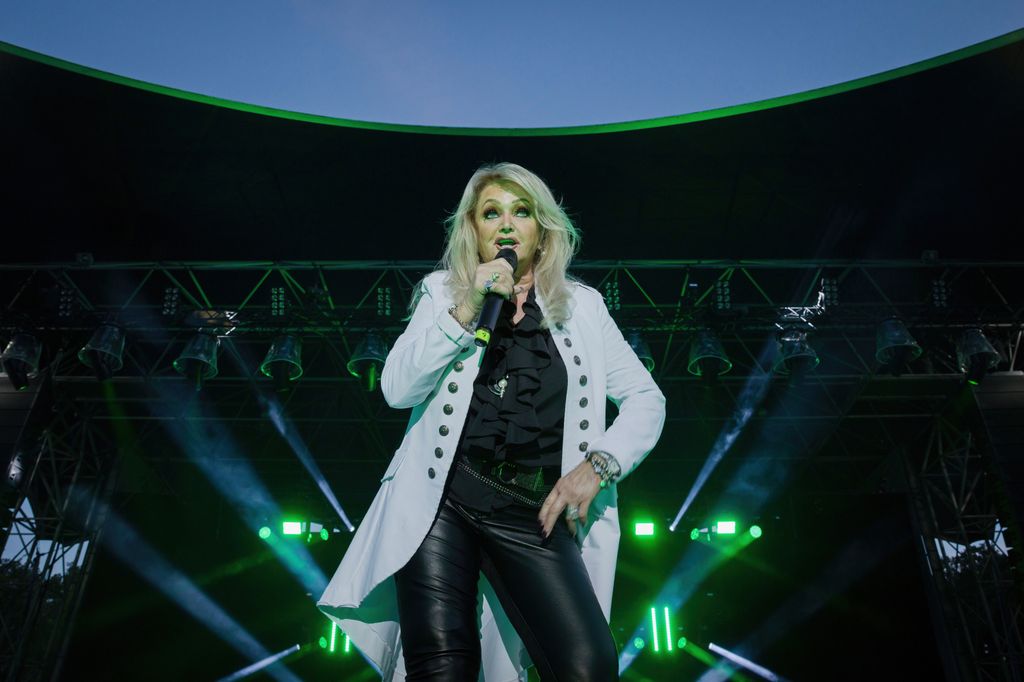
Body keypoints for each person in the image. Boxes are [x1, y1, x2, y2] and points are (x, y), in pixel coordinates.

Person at [318, 162, 665, 681]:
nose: (506, 224)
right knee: (441, 667)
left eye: (520, 211)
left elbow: (645, 398)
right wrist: (466, 307)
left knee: (588, 664)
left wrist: (597, 466)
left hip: (536, 511)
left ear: (541, 228)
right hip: (441, 504)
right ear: (473, 230)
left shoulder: (584, 307)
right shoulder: (443, 293)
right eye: (491, 213)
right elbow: (395, 389)